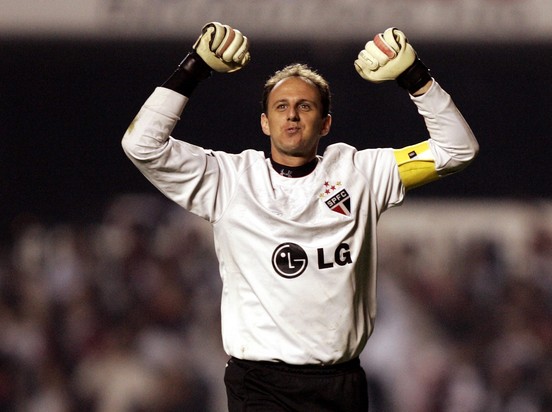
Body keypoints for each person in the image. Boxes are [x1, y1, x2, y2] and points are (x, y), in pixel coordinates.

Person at [122, 22, 479, 412]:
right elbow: (141, 145)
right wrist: (193, 67)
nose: (292, 116)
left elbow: (457, 150)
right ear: (265, 122)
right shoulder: (227, 180)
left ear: (325, 124)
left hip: (340, 383)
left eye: (304, 106)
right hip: (260, 385)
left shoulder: (362, 174)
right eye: (281, 107)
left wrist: (416, 77)